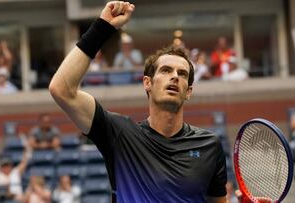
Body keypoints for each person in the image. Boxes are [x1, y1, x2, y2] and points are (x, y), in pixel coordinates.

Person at [49, 2, 271, 203]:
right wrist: (102, 27)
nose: (175, 76)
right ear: (147, 83)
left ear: (189, 92)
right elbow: (62, 89)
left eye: (182, 74)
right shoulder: (120, 134)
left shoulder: (209, 146)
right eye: (166, 70)